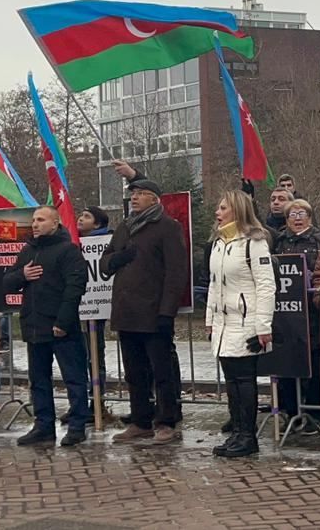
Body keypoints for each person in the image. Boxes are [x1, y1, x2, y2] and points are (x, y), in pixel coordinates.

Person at [100, 178, 189, 444]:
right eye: (133, 194)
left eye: (141, 194)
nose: (135, 198)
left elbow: (176, 273)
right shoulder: (125, 227)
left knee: (161, 371)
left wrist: (166, 311)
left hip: (153, 313)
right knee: (134, 371)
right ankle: (140, 420)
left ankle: (166, 421)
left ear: (155, 199)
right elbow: (105, 262)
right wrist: (118, 258)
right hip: (127, 312)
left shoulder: (167, 227)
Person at [3, 206, 90, 446]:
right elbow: (7, 283)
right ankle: (43, 426)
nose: (35, 224)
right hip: (34, 325)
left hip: (61, 327)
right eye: (33, 220)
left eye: (41, 220)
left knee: (73, 378)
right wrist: (23, 274)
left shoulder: (68, 250)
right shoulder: (28, 250)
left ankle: (77, 426)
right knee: (38, 380)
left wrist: (62, 321)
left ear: (55, 223)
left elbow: (75, 287)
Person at [205, 190, 277, 458]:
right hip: (224, 323)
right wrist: (210, 319)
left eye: (223, 208)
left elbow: (266, 286)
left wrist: (263, 326)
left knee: (244, 379)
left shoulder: (254, 242)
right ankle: (237, 431)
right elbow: (214, 283)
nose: (218, 212)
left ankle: (247, 436)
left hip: (246, 321)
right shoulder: (220, 242)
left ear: (237, 210)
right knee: (232, 380)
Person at [272, 198, 320, 436]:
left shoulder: (319, 239)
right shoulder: (280, 241)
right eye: (292, 214)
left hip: (311, 314)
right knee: (286, 361)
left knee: (313, 362)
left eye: (301, 213)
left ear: (310, 216)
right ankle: (291, 412)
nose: (296, 218)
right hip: (285, 313)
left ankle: (315, 414)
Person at [76, 204, 114, 422]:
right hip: (79, 305)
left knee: (95, 354)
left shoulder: (107, 241)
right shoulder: (74, 241)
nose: (81, 219)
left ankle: (97, 403)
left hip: (97, 307)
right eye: (81, 215)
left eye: (87, 216)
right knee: (82, 355)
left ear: (98, 224)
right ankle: (84, 403)